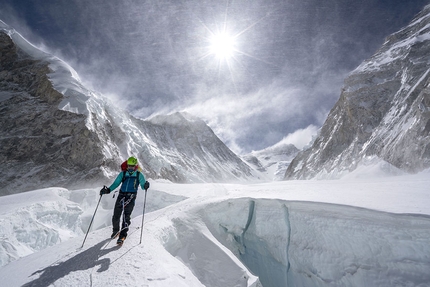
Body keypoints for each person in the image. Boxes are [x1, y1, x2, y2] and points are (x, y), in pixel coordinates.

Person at [100, 156, 150, 244]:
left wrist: (145, 185)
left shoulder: (139, 175)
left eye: (132, 166)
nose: (130, 168)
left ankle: (122, 235)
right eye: (129, 166)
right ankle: (115, 231)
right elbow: (116, 183)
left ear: (135, 166)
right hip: (121, 195)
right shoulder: (123, 174)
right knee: (116, 215)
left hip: (131, 197)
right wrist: (108, 190)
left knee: (126, 216)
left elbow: (142, 186)